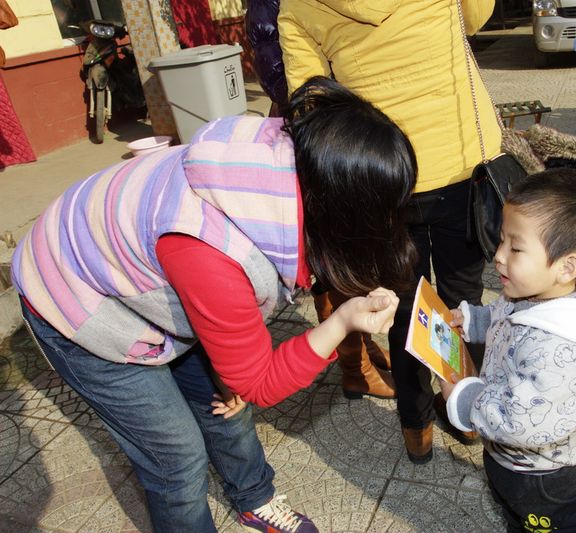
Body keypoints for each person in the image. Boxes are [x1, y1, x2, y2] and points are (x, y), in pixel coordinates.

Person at [11, 77, 417, 533]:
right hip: (74, 295)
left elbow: (239, 352)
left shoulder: (291, 165)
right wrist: (341, 320)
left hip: (148, 269)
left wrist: (235, 371)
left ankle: (254, 498)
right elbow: (260, 381)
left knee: (229, 407)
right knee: (177, 457)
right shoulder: (211, 253)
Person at [279, 0, 502, 462]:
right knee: (463, 301)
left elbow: (310, 99)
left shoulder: (296, 4)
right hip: (459, 159)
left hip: (382, 172)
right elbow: (475, 17)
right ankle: (464, 410)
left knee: (401, 309)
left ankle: (415, 426)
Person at [439, 168, 576, 533]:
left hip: (548, 481)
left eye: (515, 248)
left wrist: (465, 400)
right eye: (501, 240)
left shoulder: (559, 353)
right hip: (513, 460)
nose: (499, 256)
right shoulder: (533, 293)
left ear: (567, 267)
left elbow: (520, 421)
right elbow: (503, 316)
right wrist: (472, 321)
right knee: (517, 517)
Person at [246, 0, 396, 401]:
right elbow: (278, 72)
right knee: (333, 268)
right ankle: (355, 369)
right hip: (325, 147)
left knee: (358, 263)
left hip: (353, 138)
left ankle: (363, 346)